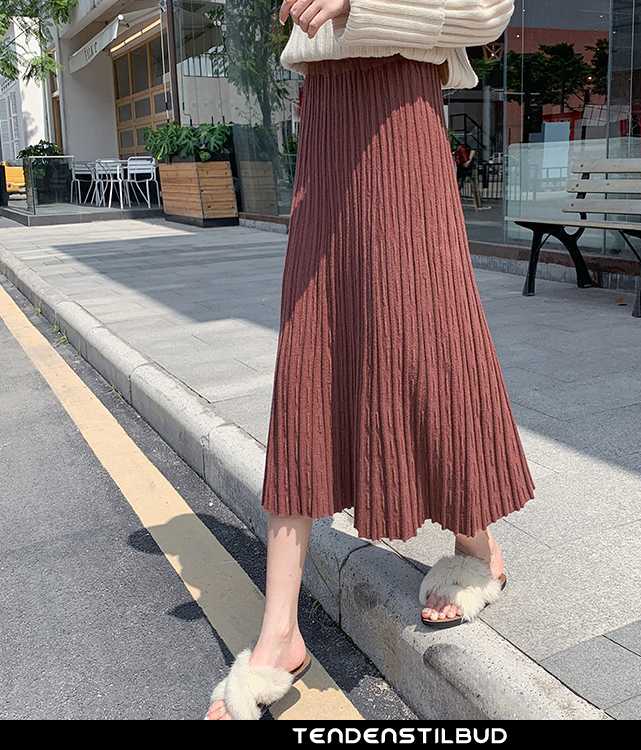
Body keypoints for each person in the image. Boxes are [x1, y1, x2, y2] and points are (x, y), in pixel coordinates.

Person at [206, 0, 532, 721]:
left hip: (400, 111)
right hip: (326, 113)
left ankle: (476, 542)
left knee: (430, 333)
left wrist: (362, 3)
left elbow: (489, 10)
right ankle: (280, 631)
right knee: (309, 348)